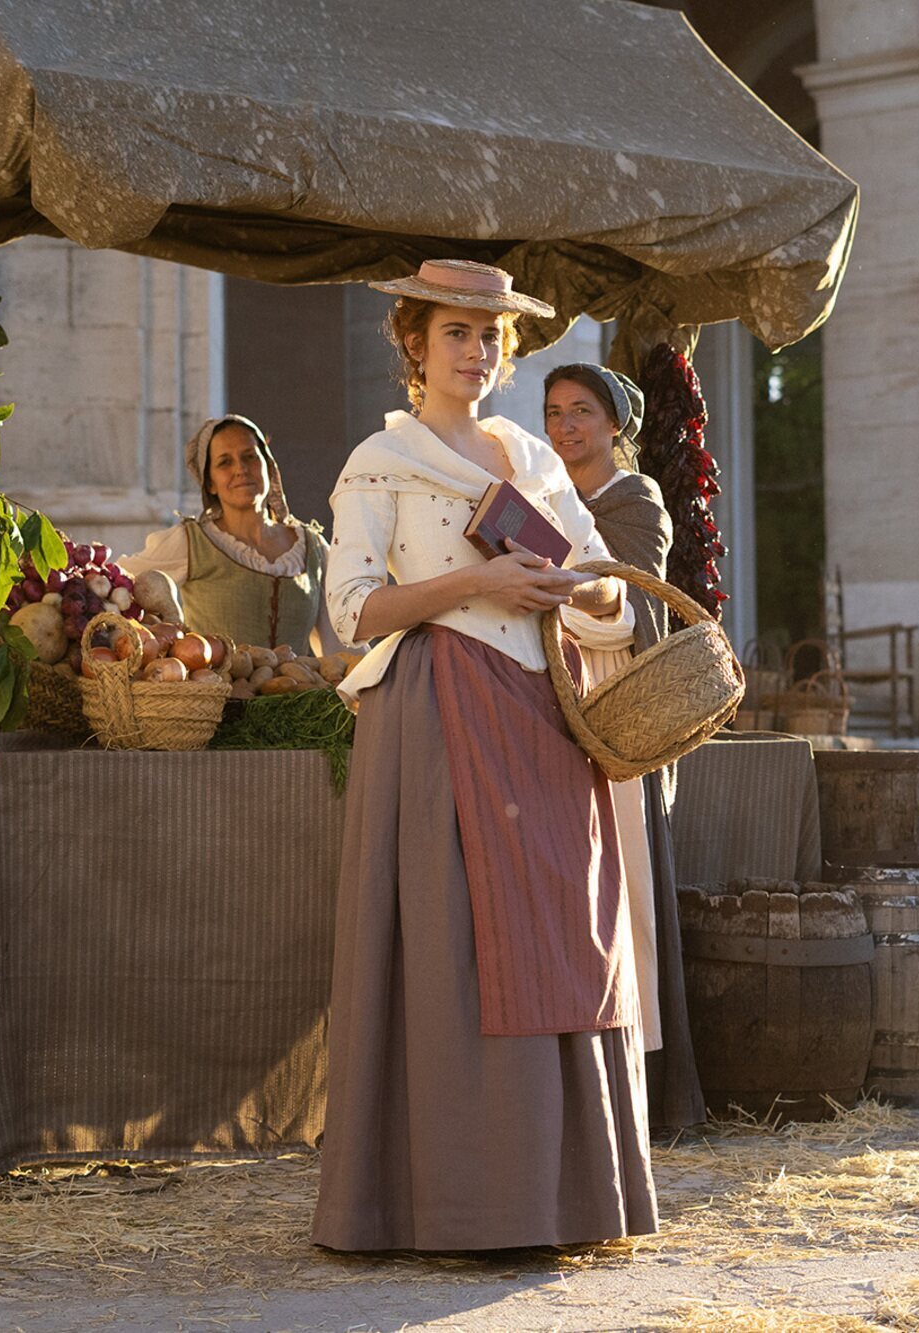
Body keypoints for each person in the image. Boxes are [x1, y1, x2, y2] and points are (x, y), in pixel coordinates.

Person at [312, 260, 656, 1252]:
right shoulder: (382, 466)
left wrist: (575, 591)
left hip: (545, 719)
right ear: (413, 344)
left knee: (557, 930)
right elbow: (350, 613)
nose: (478, 352)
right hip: (433, 714)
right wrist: (478, 588)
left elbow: (612, 598)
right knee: (454, 943)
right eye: (457, 333)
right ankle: (456, 1202)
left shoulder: (533, 461)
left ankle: (565, 1198)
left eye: (492, 335)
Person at [542, 361, 706, 1133]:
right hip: (558, 700)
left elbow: (633, 605)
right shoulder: (548, 497)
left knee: (627, 886)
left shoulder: (634, 501)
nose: (567, 426)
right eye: (554, 413)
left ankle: (642, 1084)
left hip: (621, 704)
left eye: (581, 411)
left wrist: (560, 593)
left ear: (614, 425)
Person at [120, 414, 335, 655]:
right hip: (218, 692)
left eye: (250, 457)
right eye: (224, 462)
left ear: (269, 466)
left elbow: (338, 642)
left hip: (301, 691)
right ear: (209, 483)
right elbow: (116, 584)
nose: (241, 469)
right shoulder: (190, 542)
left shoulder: (312, 547)